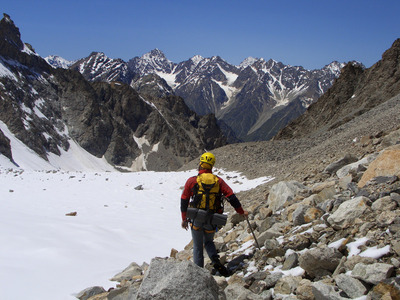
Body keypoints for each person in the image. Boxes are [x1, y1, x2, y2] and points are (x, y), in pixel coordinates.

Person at [180, 152, 248, 276]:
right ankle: (215, 261)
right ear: (211, 166)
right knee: (209, 242)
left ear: (201, 165)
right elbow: (232, 197)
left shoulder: (192, 181)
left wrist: (184, 219)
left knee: (197, 246)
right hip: (212, 219)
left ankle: (198, 274)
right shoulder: (218, 181)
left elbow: (184, 200)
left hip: (196, 218)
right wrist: (241, 212)